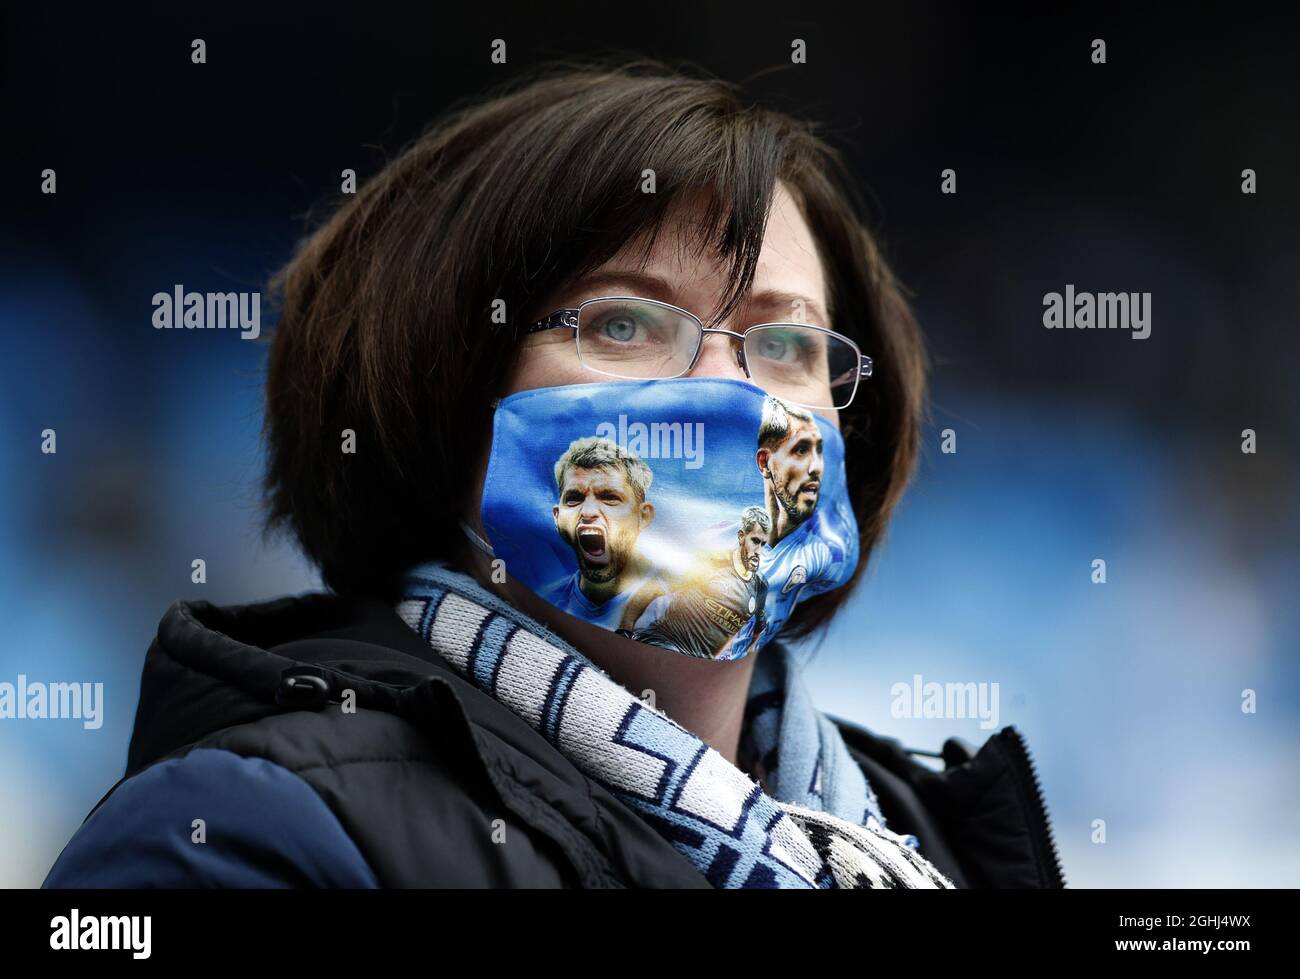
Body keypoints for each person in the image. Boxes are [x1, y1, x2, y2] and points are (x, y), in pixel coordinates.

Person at [42, 58, 1064, 889]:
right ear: (441, 394)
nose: (728, 392)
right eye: (624, 322)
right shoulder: (240, 834)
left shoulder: (934, 841)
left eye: (785, 344)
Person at [631, 505, 770, 659]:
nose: (759, 550)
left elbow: (757, 632)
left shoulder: (760, 586)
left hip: (697, 664)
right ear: (741, 536)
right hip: (664, 642)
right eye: (755, 541)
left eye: (763, 544)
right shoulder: (713, 562)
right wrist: (625, 628)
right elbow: (653, 589)